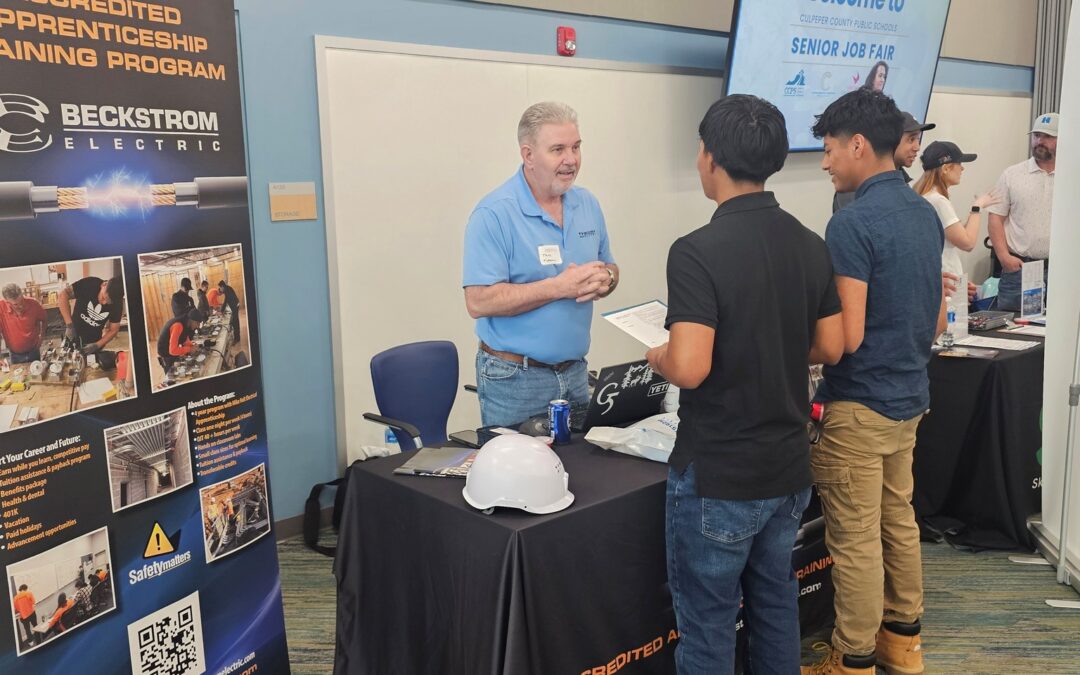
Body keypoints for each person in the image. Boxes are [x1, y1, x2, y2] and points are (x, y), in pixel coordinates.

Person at [645, 94, 844, 673]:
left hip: (720, 474)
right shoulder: (810, 243)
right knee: (776, 605)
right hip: (786, 470)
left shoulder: (695, 252)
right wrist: (770, 345)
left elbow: (691, 367)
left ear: (709, 158)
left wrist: (660, 355)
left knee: (707, 626)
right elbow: (830, 346)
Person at [804, 89, 946, 675]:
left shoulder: (851, 223)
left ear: (858, 145)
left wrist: (792, 349)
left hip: (858, 407)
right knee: (898, 520)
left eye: (830, 149)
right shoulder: (923, 212)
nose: (825, 162)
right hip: (910, 398)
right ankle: (902, 642)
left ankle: (854, 658)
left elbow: (847, 338)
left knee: (856, 541)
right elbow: (936, 314)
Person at [463, 101, 618, 426]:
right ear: (528, 155)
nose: (571, 160)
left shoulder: (587, 204)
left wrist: (606, 279)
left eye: (576, 147)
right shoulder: (494, 214)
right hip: (515, 379)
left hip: (575, 373)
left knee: (581, 474)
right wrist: (558, 287)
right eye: (558, 149)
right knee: (517, 477)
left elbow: (611, 268)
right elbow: (478, 301)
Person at [988, 112, 1057, 311]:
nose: (1039, 141)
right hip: (1019, 269)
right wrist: (1003, 257)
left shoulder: (1072, 176)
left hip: (1060, 271)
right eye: (1036, 136)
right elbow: (995, 218)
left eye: (1047, 137)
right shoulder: (1012, 175)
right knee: (1011, 329)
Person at [913, 141, 1000, 287]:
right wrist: (977, 207)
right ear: (946, 168)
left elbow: (956, 236)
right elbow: (967, 243)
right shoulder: (938, 201)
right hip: (946, 283)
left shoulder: (926, 197)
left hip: (942, 280)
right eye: (959, 163)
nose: (963, 168)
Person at [833, 111, 933, 212]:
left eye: (918, 139)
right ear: (890, 140)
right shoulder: (855, 187)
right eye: (911, 139)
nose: (917, 147)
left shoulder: (904, 184)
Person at [58, 276, 124, 355]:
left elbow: (114, 330)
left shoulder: (117, 304)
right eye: (103, 298)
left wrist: (97, 345)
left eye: (108, 302)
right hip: (73, 333)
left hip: (94, 341)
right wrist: (69, 325)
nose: (104, 303)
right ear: (104, 285)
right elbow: (63, 295)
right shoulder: (90, 284)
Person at [0, 283, 46, 363]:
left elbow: (44, 320)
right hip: (15, 355)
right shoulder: (1, 307)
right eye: (16, 304)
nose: (21, 305)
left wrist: (41, 337)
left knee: (37, 373)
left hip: (33, 351)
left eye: (21, 300)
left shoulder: (33, 303)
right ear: (7, 302)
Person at [156, 308, 205, 372]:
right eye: (197, 323)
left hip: (170, 350)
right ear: (192, 321)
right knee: (172, 375)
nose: (198, 326)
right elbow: (173, 351)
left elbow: (184, 339)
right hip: (165, 354)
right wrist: (189, 349)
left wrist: (192, 345)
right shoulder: (178, 325)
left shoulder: (186, 323)